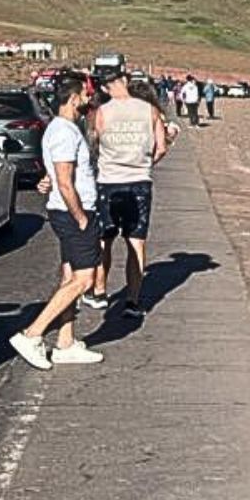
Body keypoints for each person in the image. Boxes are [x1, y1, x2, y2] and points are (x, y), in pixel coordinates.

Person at [9, 74, 104, 369]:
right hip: (73, 213)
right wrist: (82, 218)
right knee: (84, 280)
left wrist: (47, 180)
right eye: (86, 95)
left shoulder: (61, 129)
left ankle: (65, 342)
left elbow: (58, 173)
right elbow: (65, 181)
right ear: (74, 98)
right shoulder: (64, 131)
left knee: (69, 278)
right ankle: (32, 334)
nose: (89, 100)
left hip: (68, 210)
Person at [85, 72, 168, 318]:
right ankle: (133, 299)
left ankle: (99, 291)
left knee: (105, 239)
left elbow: (94, 143)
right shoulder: (150, 110)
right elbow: (161, 147)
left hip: (109, 181)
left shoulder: (103, 112)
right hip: (139, 181)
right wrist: (144, 163)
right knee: (136, 242)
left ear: (107, 88)